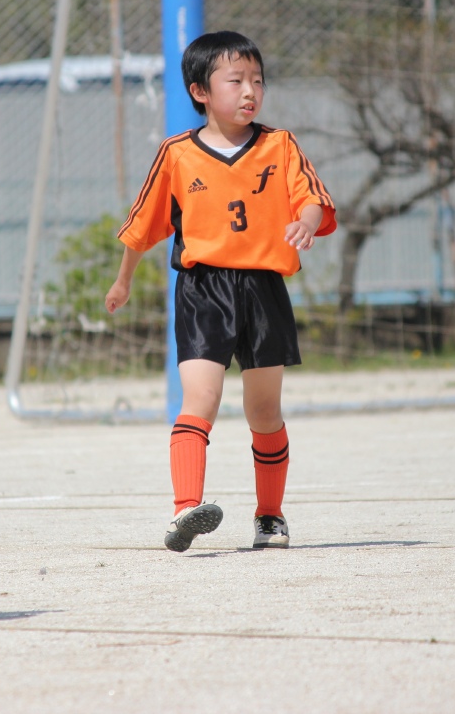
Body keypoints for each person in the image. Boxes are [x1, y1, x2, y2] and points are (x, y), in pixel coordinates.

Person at [105, 31, 337, 552]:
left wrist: (306, 221)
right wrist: (123, 280)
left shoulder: (280, 145)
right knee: (201, 398)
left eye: (258, 80)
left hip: (263, 289)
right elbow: (142, 227)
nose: (250, 90)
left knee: (264, 412)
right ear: (200, 91)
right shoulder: (176, 154)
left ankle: (270, 516)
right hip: (203, 289)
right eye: (236, 80)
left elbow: (313, 199)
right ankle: (185, 510)